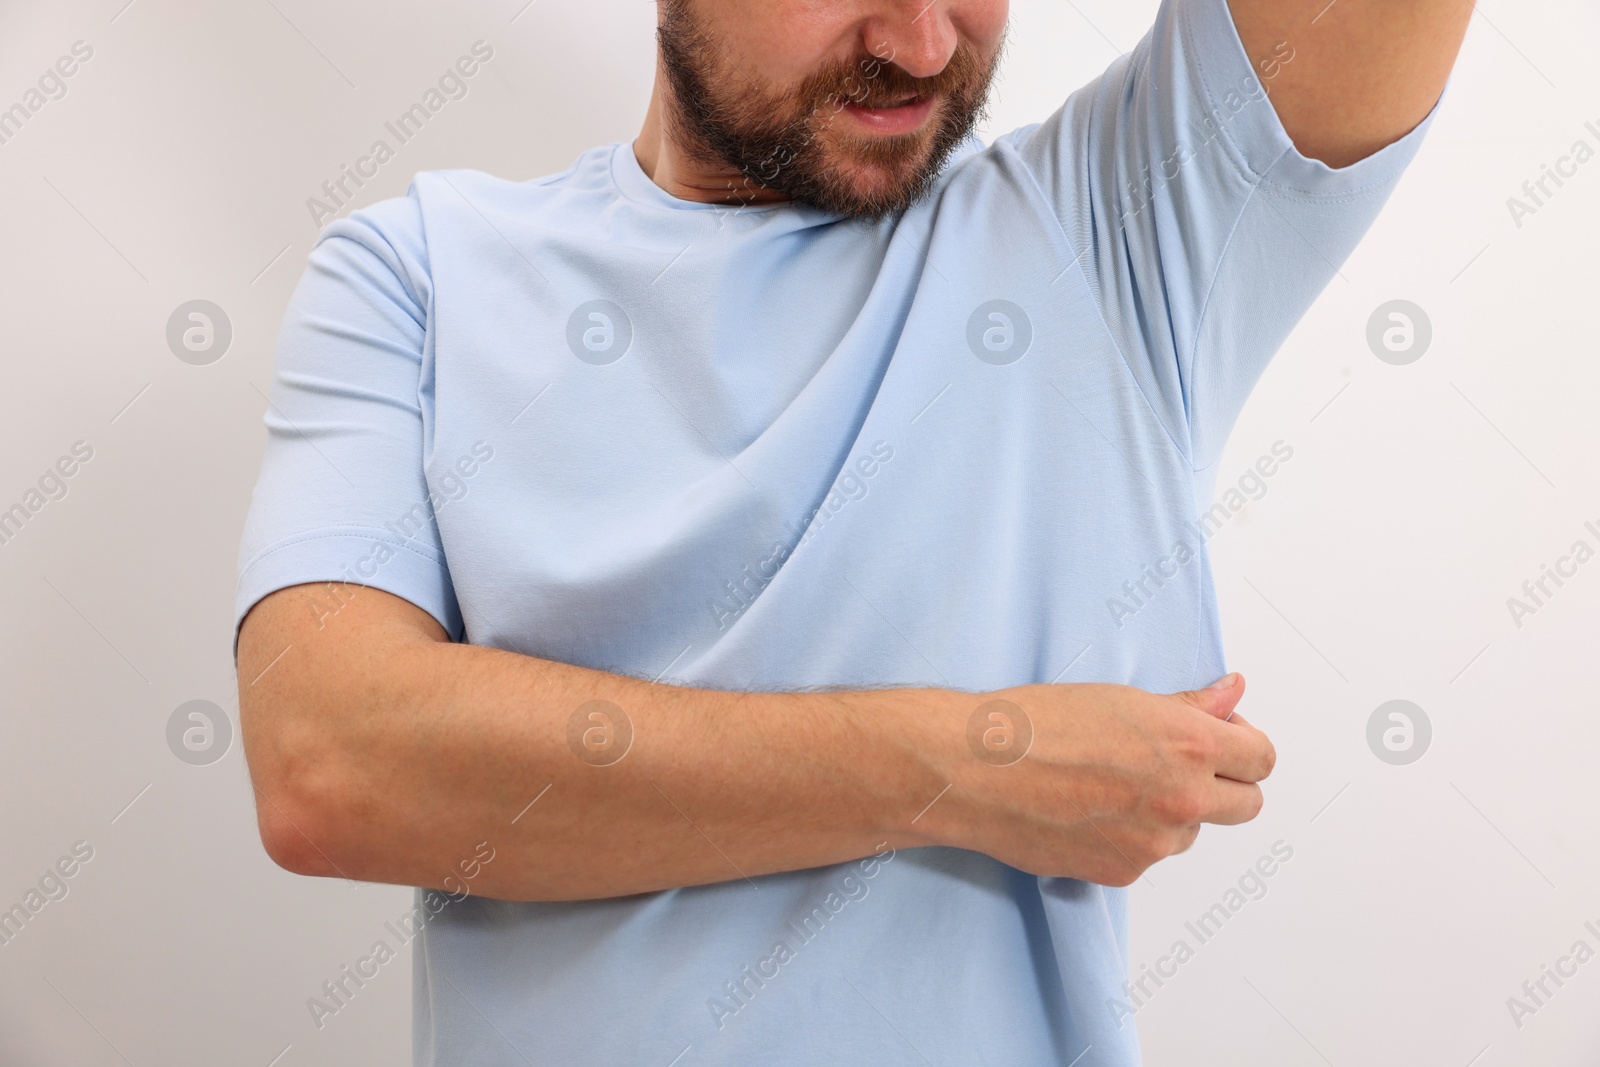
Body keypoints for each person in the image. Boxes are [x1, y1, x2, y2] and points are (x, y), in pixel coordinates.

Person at [234, 0, 1472, 1062]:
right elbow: (332, 762)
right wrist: (973, 762)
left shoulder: (1121, 227)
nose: (923, 43)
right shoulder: (419, 274)